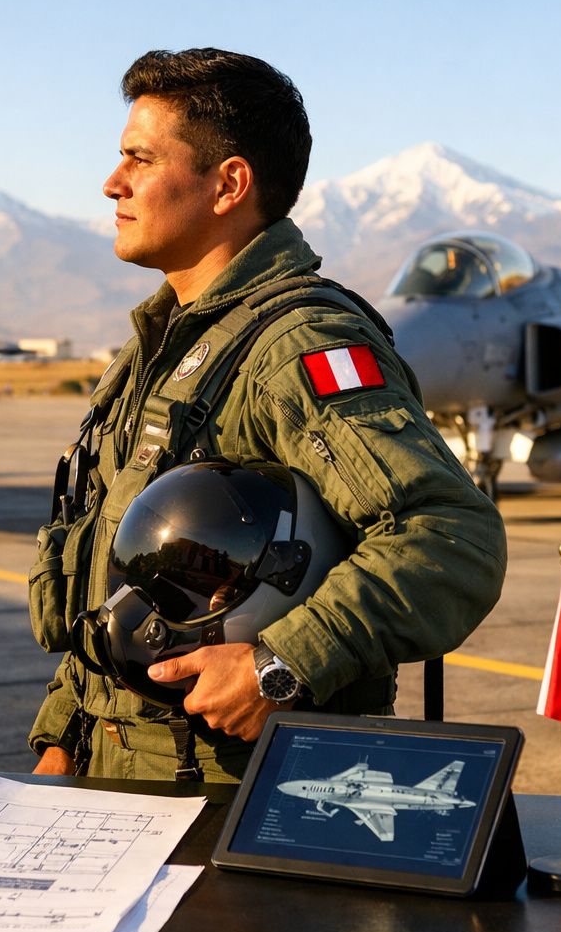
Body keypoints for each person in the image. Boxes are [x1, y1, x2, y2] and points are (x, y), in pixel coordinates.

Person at [28, 48, 506, 782]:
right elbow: (123, 586)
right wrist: (63, 738)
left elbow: (450, 538)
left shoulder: (295, 345)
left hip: (233, 793)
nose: (112, 182)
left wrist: (281, 667)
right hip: (116, 777)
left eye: (139, 159)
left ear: (228, 185)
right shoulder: (158, 349)